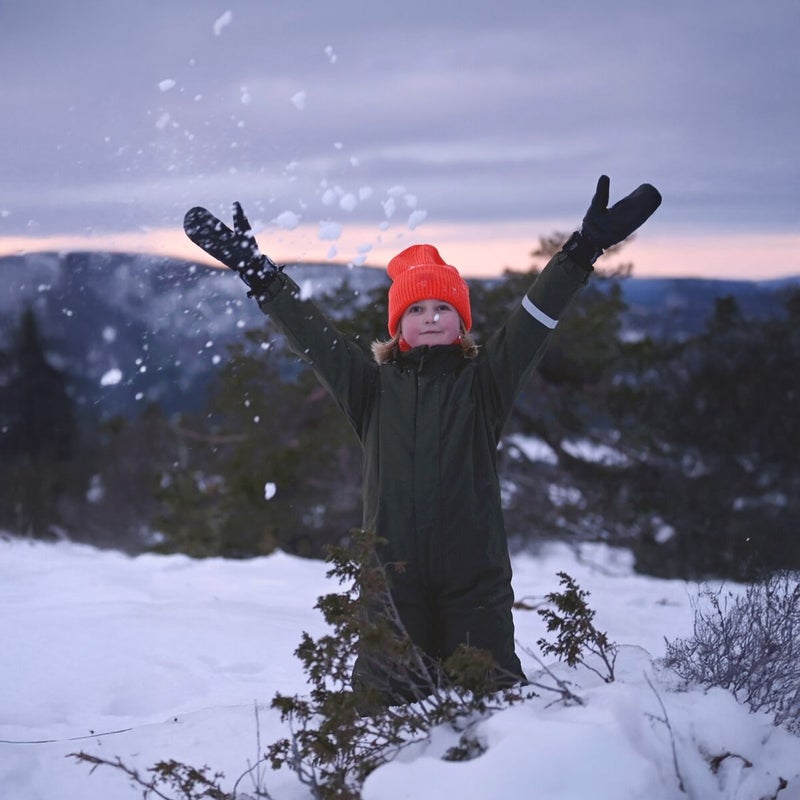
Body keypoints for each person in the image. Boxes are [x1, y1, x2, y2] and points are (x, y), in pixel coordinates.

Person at [184, 175, 661, 702]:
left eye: (442, 308)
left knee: (492, 706)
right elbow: (314, 338)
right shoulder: (369, 388)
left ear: (461, 322)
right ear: (396, 325)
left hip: (473, 579)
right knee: (384, 712)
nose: (430, 317)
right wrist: (262, 277)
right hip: (391, 579)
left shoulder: (485, 384)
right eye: (415, 309)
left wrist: (582, 249)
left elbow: (535, 318)